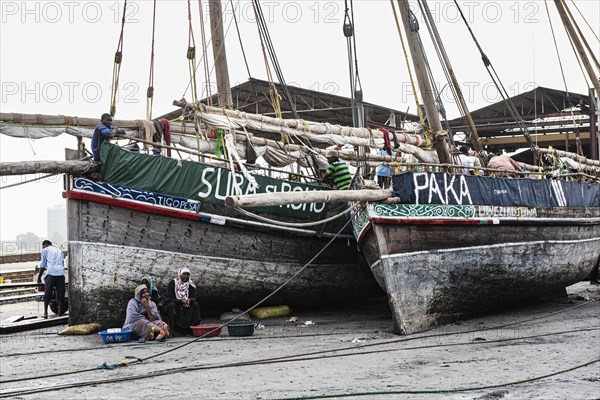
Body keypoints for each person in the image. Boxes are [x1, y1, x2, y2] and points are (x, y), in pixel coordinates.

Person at [163, 268, 201, 335]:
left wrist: (189, 300)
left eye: (187, 275)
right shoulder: (172, 283)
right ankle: (172, 330)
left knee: (195, 304)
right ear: (180, 275)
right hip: (175, 304)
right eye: (184, 274)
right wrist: (180, 301)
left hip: (186, 305)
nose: (186, 276)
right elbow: (168, 299)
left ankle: (194, 329)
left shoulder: (191, 284)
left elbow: (194, 297)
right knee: (172, 305)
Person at [37, 240, 65, 318]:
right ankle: (59, 314)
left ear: (45, 245)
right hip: (60, 273)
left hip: (51, 273)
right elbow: (63, 263)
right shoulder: (59, 250)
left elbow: (42, 265)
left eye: (43, 246)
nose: (43, 248)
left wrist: (39, 278)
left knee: (48, 292)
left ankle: (45, 313)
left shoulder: (45, 250)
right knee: (60, 293)